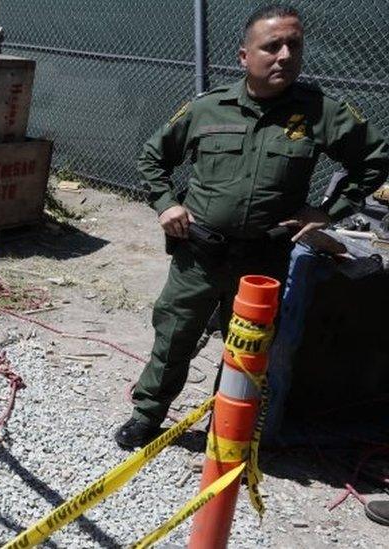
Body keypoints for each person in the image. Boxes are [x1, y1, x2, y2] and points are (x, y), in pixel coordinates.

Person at [114, 4, 389, 449]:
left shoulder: (321, 112)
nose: (284, 56)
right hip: (199, 254)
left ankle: (226, 432)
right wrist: (166, 204)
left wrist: (327, 211)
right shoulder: (208, 108)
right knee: (174, 336)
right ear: (244, 56)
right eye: (271, 46)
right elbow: (152, 156)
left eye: (293, 46)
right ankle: (148, 415)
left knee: (245, 352)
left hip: (263, 259)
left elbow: (374, 160)